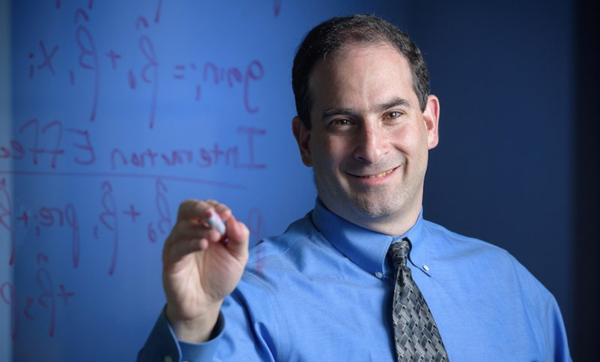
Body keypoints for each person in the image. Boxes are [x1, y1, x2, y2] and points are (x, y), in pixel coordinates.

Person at [137, 14, 571, 362]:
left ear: (430, 123)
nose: (372, 147)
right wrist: (192, 326)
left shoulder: (516, 291)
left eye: (393, 115)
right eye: (342, 122)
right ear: (306, 141)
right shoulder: (244, 301)